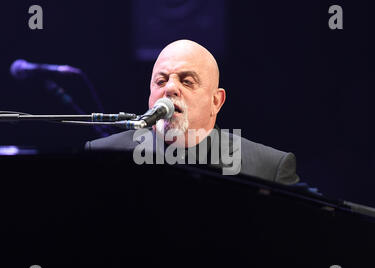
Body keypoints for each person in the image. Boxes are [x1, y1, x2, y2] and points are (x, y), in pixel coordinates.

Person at [85, 39, 299, 184]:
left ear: (216, 101)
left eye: (187, 81)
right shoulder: (101, 155)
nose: (169, 88)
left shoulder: (269, 168)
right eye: (161, 81)